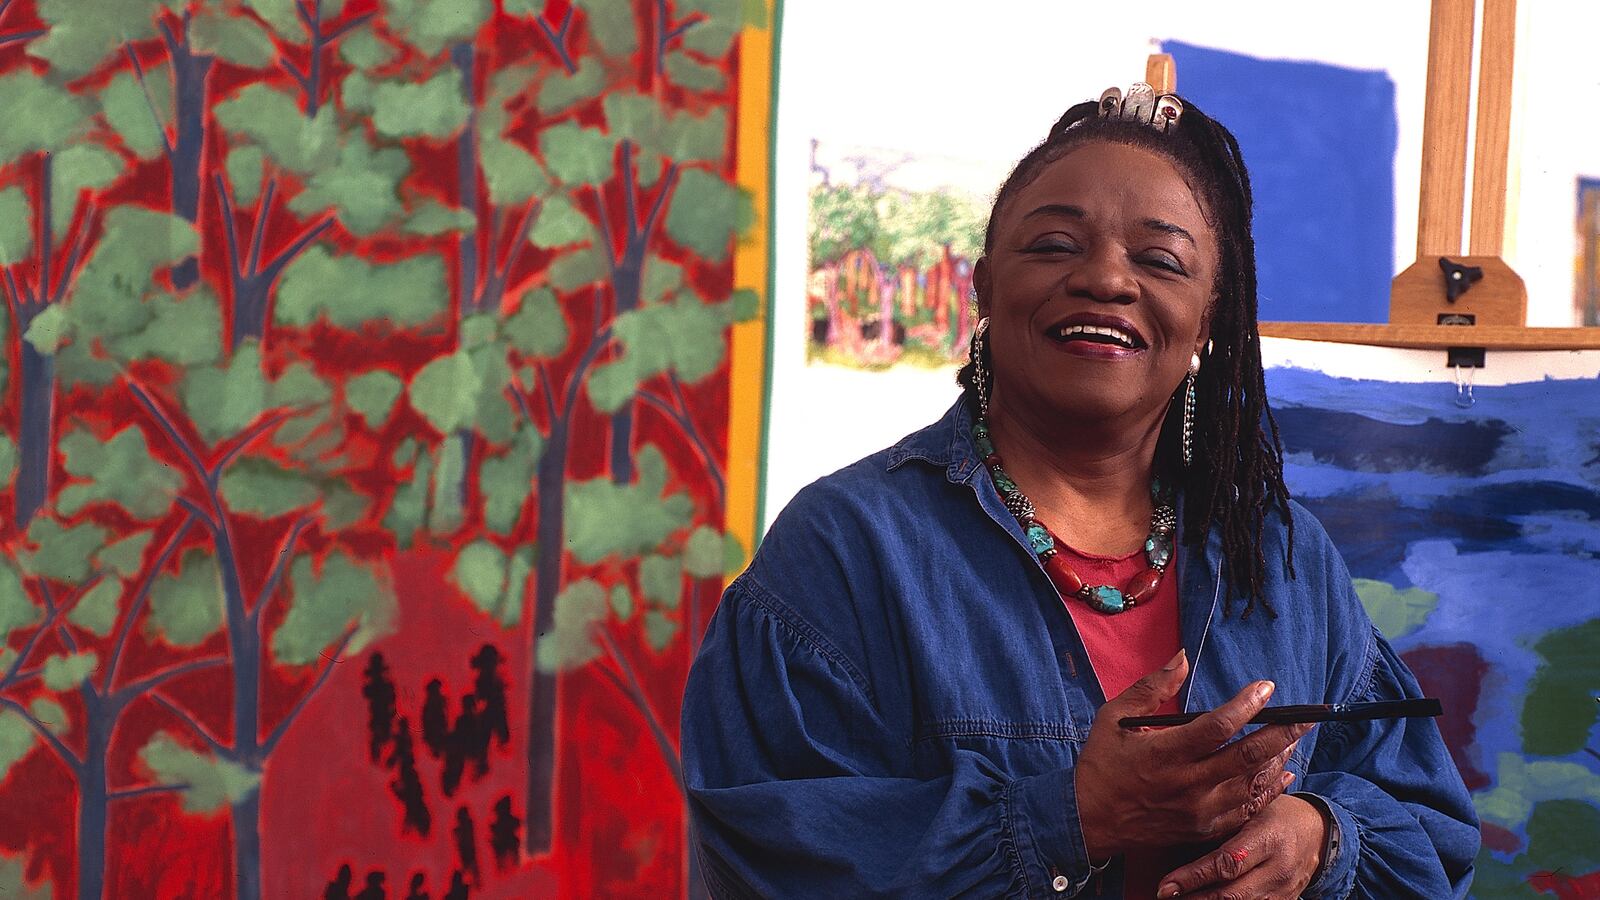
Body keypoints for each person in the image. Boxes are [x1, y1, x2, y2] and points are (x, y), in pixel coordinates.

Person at [681, 84, 1479, 898]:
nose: (1104, 278)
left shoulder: (1282, 561)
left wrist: (1321, 843)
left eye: (1160, 261)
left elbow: (1430, 837)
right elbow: (771, 860)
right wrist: (1074, 816)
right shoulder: (847, 548)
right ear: (985, 289)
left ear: (1206, 323)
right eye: (1055, 245)